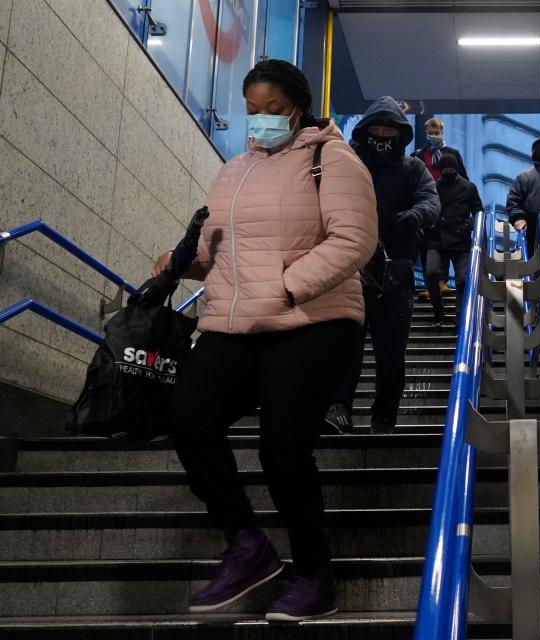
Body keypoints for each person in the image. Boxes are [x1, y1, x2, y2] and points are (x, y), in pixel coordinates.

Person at [151, 60, 377, 620]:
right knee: (188, 416)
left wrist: (286, 287)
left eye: (271, 111)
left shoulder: (334, 159)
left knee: (282, 448)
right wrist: (184, 263)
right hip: (233, 322)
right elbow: (220, 246)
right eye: (252, 110)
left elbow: (355, 239)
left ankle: (313, 574)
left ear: (297, 108)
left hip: (312, 321)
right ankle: (247, 545)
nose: (259, 121)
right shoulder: (234, 170)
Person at [324, 96, 440, 435]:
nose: (382, 134)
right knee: (347, 342)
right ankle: (339, 407)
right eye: (377, 128)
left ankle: (384, 417)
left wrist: (411, 218)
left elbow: (431, 202)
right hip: (351, 266)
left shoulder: (413, 168)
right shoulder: (348, 164)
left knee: (392, 351)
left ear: (400, 134)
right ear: (364, 129)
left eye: (390, 129)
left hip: (397, 268)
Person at [426, 153, 483, 326]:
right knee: (431, 273)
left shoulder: (468, 187)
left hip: (461, 240)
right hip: (436, 239)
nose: (448, 171)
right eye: (445, 169)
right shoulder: (433, 187)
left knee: (463, 280)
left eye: (451, 168)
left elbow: (479, 211)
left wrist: (469, 225)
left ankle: (461, 319)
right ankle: (438, 312)